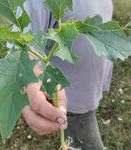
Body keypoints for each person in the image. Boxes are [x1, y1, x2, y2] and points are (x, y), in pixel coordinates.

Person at [22, 0, 113, 149]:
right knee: (89, 143)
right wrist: (28, 80)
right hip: (72, 98)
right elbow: (23, 45)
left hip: (91, 85)